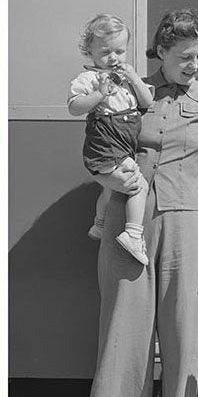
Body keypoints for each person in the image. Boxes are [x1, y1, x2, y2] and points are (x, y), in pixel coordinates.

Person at [87, 8, 198, 397]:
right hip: (129, 220)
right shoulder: (129, 92)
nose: (195, 64)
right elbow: (103, 146)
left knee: (182, 331)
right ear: (162, 53)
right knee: (125, 329)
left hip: (189, 223)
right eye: (185, 56)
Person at [68, 14, 154, 265]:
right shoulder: (88, 79)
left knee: (108, 187)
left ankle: (99, 224)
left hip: (124, 144)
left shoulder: (128, 79)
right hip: (108, 143)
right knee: (139, 186)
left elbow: (146, 102)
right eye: (106, 52)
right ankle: (133, 234)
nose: (113, 58)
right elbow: (74, 107)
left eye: (120, 51)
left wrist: (135, 79)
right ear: (90, 51)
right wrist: (98, 94)